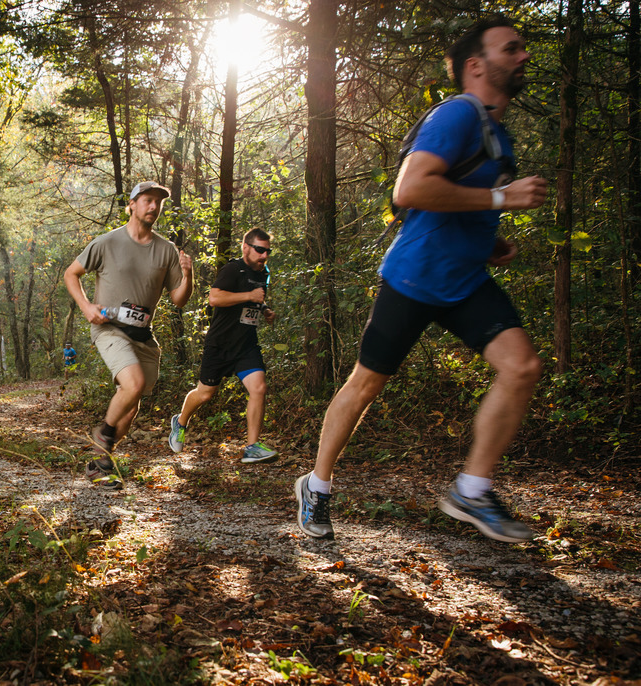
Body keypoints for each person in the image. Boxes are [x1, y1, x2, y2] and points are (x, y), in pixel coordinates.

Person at [295, 16, 548, 543]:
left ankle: (472, 490)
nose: (523, 56)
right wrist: (503, 198)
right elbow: (410, 190)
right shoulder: (458, 114)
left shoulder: (497, 133)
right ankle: (316, 487)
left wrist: (489, 239)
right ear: (476, 65)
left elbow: (456, 200)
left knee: (521, 366)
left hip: (465, 281)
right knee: (365, 386)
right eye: (512, 48)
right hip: (413, 279)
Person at [64, 180, 194, 488]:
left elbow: (179, 299)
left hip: (143, 334)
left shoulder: (166, 250)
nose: (153, 206)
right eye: (147, 200)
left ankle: (99, 462)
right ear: (132, 205)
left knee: (132, 405)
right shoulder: (107, 242)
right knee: (132, 384)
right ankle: (103, 436)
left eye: (158, 202)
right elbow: (72, 273)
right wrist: (85, 306)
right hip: (108, 328)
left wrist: (188, 273)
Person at [168, 228, 278, 463]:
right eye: (259, 250)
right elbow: (215, 298)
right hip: (220, 345)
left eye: (267, 251)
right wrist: (249, 296)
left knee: (259, 388)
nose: (264, 255)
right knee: (205, 394)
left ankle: (252, 447)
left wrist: (265, 309)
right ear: (246, 247)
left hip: (246, 346)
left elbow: (256, 299)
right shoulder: (233, 269)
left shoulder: (263, 273)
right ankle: (180, 421)